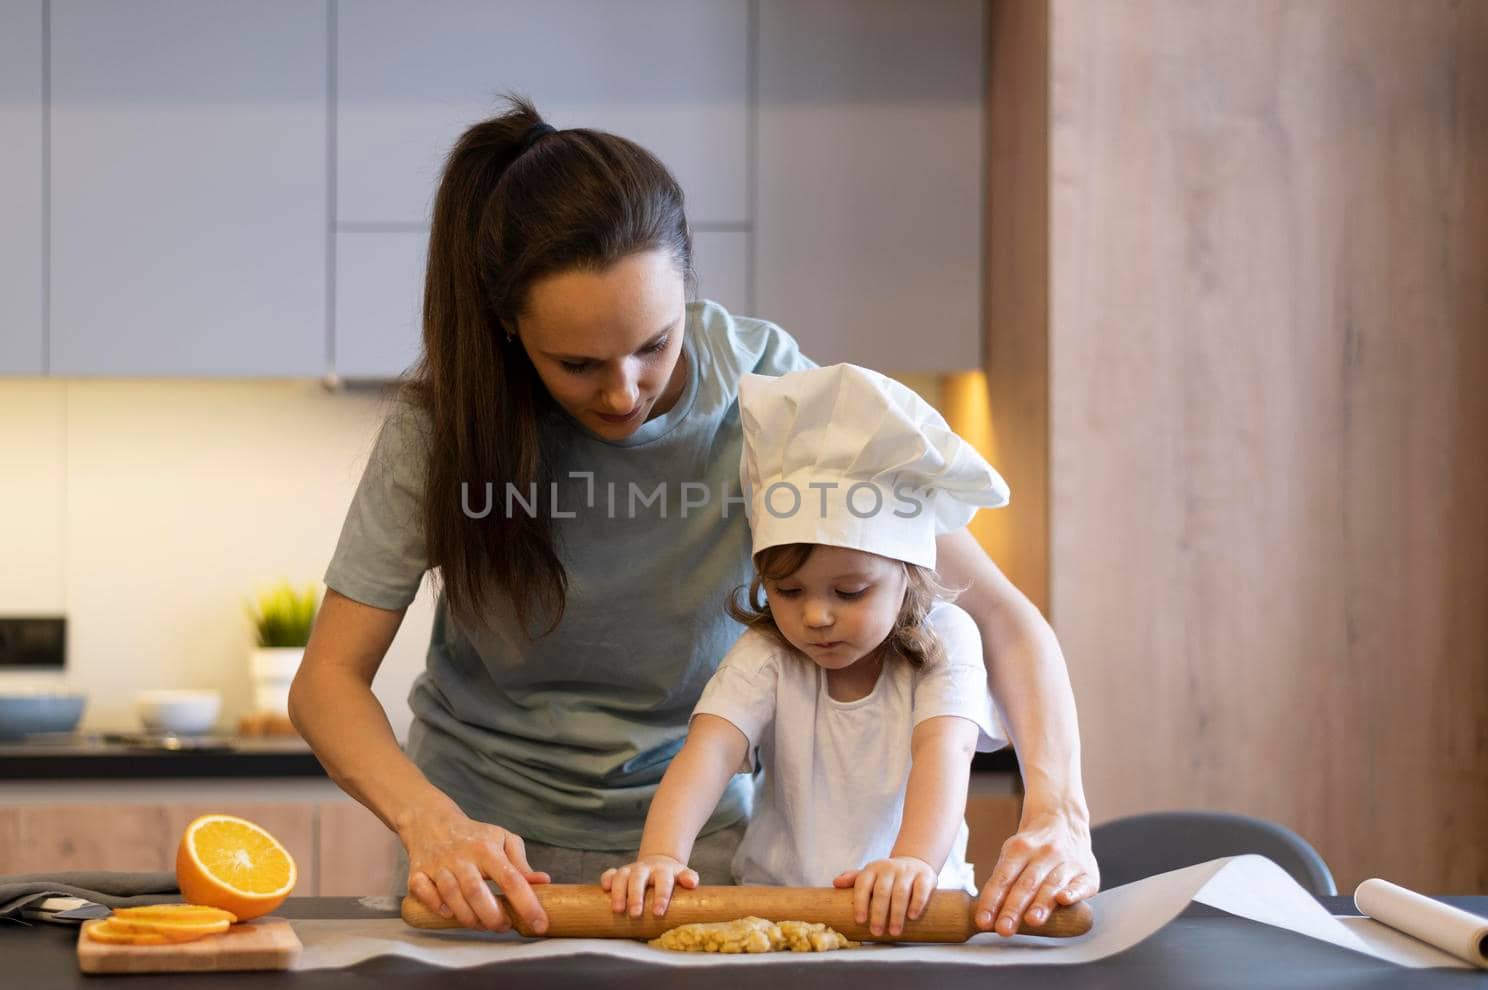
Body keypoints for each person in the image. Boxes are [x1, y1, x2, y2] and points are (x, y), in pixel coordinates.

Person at [288, 96, 1097, 939]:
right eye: (577, 364)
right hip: (486, 862)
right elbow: (327, 682)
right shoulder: (445, 427)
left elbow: (996, 613)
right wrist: (431, 824)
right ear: (507, 329)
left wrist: (1058, 811)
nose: (624, 391)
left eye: (656, 343)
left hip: (696, 866)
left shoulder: (775, 397)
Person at [601, 364, 1011, 940]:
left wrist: (913, 862)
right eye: (787, 591)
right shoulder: (768, 651)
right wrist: (662, 856)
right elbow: (709, 752)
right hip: (775, 909)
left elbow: (945, 748)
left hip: (916, 913)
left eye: (849, 592)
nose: (815, 616)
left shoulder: (947, 640)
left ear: (909, 576)